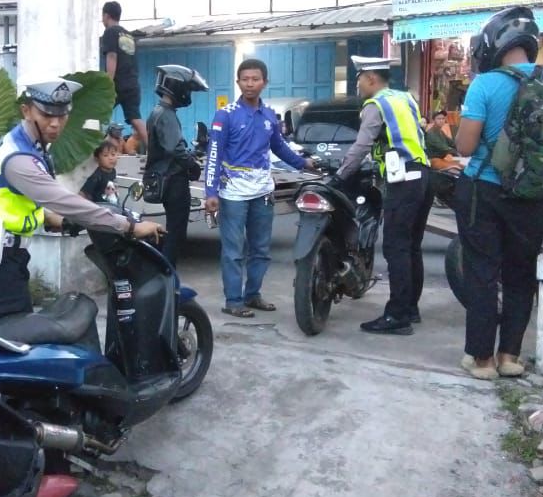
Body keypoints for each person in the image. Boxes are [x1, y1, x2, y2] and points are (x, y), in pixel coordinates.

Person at [0, 79, 164, 322]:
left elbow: (13, 202)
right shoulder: (19, 158)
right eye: (46, 115)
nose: (55, 123)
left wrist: (56, 221)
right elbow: (63, 200)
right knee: (8, 339)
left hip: (6, 257)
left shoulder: (29, 145)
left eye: (62, 115)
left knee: (18, 334)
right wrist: (129, 227)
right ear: (26, 111)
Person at [453, 7, 543, 380]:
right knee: (521, 273)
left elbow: (465, 146)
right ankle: (510, 356)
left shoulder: (485, 84)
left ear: (493, 43)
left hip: (486, 189)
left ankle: (482, 360)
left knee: (481, 272)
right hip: (534, 193)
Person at [204, 58, 315, 317]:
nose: (250, 84)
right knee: (233, 252)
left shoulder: (269, 116)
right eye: (245, 79)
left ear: (265, 82)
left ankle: (253, 295)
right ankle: (233, 301)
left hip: (263, 192)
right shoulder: (225, 115)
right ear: (238, 82)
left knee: (261, 250)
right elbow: (214, 154)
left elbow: (279, 147)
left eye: (255, 79)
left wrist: (302, 163)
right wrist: (211, 192)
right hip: (233, 194)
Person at [334, 56, 434, 336]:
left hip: (403, 179)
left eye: (359, 80)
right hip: (423, 174)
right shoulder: (405, 99)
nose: (358, 86)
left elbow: (361, 145)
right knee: (411, 247)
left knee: (396, 247)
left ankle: (397, 316)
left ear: (370, 79)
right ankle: (410, 309)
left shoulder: (375, 105)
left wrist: (340, 176)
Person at [145, 65, 208, 266]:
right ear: (177, 87)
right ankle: (167, 272)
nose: (188, 94)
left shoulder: (158, 112)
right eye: (187, 89)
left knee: (173, 229)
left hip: (166, 178)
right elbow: (175, 149)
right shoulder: (166, 114)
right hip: (173, 180)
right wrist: (192, 165)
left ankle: (165, 270)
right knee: (176, 232)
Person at [101, 1, 148, 150]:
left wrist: (107, 84)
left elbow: (112, 56)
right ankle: (153, 152)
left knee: (97, 113)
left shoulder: (110, 32)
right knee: (136, 119)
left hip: (117, 84)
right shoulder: (129, 35)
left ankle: (93, 151)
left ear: (106, 15)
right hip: (133, 84)